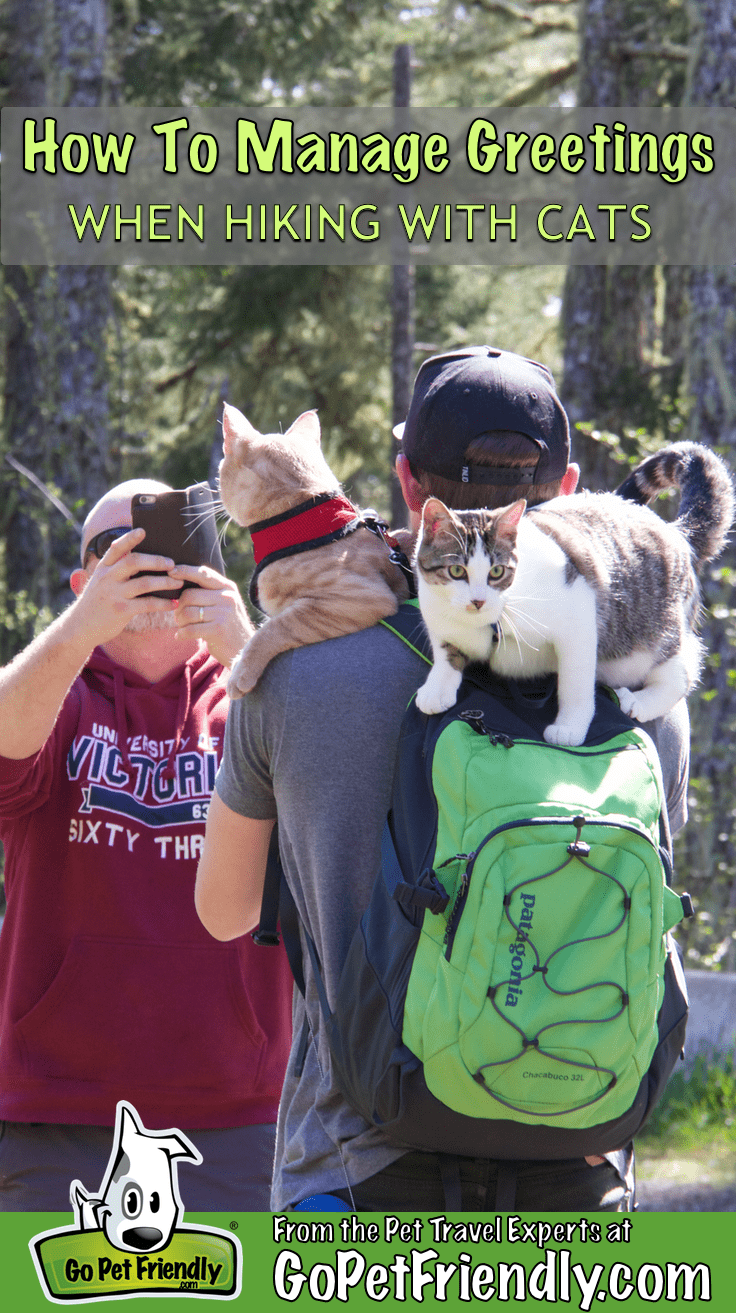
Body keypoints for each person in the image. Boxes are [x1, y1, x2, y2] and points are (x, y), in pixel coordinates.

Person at [196, 346, 690, 1212]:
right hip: (581, 1166)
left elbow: (226, 908)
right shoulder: (641, 690)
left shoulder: (294, 667)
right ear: (568, 484)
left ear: (402, 480)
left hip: (355, 1172)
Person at [0, 478, 293, 1211]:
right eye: (116, 551)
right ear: (81, 582)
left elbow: (342, 798)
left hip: (239, 1111)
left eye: (167, 545)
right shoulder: (55, 689)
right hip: (55, 1110)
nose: (146, 567)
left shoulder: (252, 696)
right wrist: (77, 630)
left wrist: (247, 644)